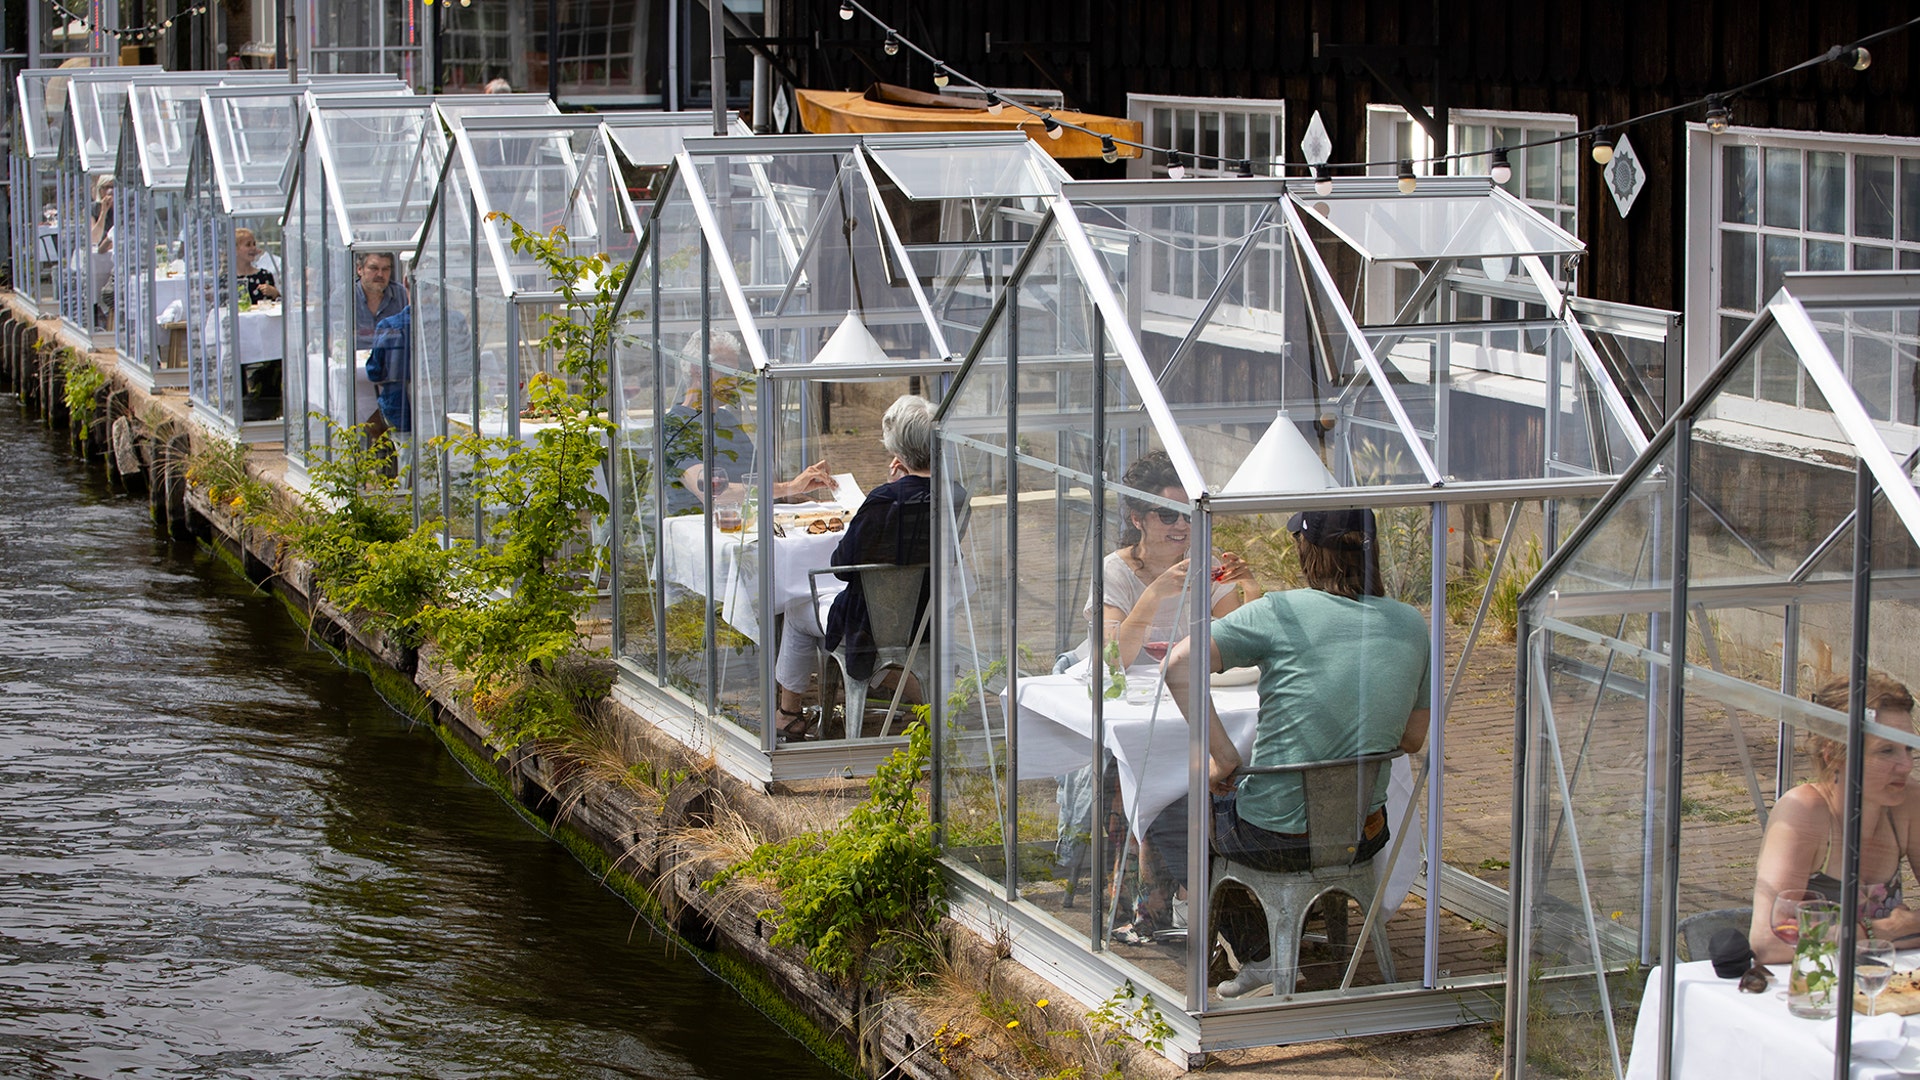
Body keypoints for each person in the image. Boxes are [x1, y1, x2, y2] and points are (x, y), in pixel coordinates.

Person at [1162, 507, 1431, 995]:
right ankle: (1289, 937)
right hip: (1362, 833)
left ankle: (1261, 953)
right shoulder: (1412, 623)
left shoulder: (1280, 611)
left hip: (1275, 837)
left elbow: (1180, 664)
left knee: (1171, 813)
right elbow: (1412, 740)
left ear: (1307, 551)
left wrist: (1220, 757)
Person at [1093, 449, 1261, 943]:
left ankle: (1197, 898)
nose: (1181, 527)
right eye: (1167, 515)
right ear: (1138, 517)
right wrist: (1156, 594)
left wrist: (1249, 585)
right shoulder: (1116, 570)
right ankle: (1163, 904)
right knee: (1152, 760)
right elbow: (1110, 662)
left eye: (1188, 514)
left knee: (1215, 763)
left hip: (1191, 699)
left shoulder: (1205, 565)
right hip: (1137, 699)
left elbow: (1240, 637)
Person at [770, 395, 935, 741]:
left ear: (897, 451)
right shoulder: (950, 493)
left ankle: (788, 713)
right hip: (927, 615)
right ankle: (925, 697)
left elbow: (842, 567)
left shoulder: (884, 500)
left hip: (871, 624)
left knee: (799, 609)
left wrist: (892, 489)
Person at [1749, 673, 1920, 964]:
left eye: (1908, 748)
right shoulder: (1804, 811)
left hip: (1886, 984)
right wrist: (1889, 929)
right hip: (1814, 990)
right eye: (1886, 750)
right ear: (1833, 755)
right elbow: (1767, 942)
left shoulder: (1908, 802)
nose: (1905, 766)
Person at [659, 330, 832, 514]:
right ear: (697, 370)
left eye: (736, 373)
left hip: (747, 522)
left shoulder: (727, 419)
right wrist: (790, 487)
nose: (734, 381)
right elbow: (713, 492)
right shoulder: (675, 426)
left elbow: (758, 483)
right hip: (703, 531)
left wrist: (802, 497)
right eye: (726, 370)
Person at [364, 304, 411, 480]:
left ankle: (388, 478)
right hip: (445, 410)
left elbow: (375, 372)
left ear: (407, 282)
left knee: (373, 419)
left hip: (402, 412)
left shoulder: (390, 325)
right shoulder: (455, 320)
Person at [353, 251, 407, 349]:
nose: (380, 274)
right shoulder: (345, 296)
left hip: (391, 359)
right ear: (360, 269)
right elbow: (337, 340)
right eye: (374, 268)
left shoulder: (402, 294)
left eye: (386, 269)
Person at [234, 228, 279, 303]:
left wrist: (275, 293)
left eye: (254, 244)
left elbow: (277, 304)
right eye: (248, 245)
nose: (253, 248)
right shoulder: (227, 280)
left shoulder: (265, 276)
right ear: (235, 249)